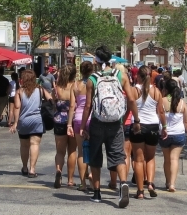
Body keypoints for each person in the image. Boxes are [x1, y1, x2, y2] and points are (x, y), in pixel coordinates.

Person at [79, 45, 138, 206]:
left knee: (96, 156)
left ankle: (97, 193)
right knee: (118, 156)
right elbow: (131, 99)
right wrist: (135, 120)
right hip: (116, 123)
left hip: (98, 123)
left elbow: (88, 106)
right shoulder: (121, 75)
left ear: (96, 61)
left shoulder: (92, 79)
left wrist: (83, 126)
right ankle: (123, 183)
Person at [130, 65, 167, 199]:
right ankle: (150, 183)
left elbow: (129, 109)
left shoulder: (134, 91)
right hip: (152, 126)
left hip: (138, 125)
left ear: (138, 76)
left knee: (138, 160)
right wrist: (164, 127)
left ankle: (140, 191)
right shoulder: (156, 92)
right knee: (150, 157)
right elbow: (161, 112)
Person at [9, 68, 52, 177]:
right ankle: (32, 169)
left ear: (22, 79)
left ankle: (24, 167)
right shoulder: (40, 89)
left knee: (24, 145)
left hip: (23, 121)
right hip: (37, 120)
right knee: (35, 144)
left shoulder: (19, 92)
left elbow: (17, 107)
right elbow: (51, 99)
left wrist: (15, 123)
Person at [160, 78, 187, 192]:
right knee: (174, 159)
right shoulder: (182, 103)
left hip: (164, 134)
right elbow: (186, 122)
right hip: (179, 134)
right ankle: (172, 184)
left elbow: (158, 116)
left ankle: (167, 181)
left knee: (166, 159)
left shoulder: (162, 101)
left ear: (166, 89)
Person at [51, 64, 80, 188]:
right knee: (72, 151)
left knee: (60, 151)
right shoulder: (76, 87)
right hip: (72, 120)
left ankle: (58, 170)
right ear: (74, 74)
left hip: (59, 120)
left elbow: (53, 103)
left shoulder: (57, 88)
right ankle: (70, 179)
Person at [69, 61, 95, 191]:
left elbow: (72, 106)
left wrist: (69, 123)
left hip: (79, 119)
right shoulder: (94, 83)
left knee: (81, 151)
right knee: (93, 149)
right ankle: (92, 175)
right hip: (93, 119)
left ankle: (83, 183)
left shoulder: (76, 85)